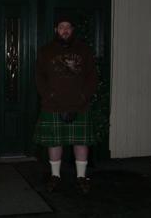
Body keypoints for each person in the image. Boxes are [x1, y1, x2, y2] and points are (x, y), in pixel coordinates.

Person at [34, 16, 98, 194]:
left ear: (73, 29)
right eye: (61, 27)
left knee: (81, 141)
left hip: (79, 104)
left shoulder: (84, 50)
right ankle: (55, 176)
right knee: (54, 142)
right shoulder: (45, 51)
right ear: (56, 29)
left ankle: (81, 177)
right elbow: (39, 78)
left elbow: (92, 77)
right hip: (53, 105)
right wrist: (49, 96)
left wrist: (83, 97)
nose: (65, 30)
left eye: (68, 27)